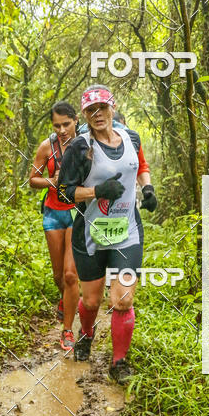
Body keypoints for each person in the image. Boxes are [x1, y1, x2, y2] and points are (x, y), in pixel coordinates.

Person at [56, 85, 157, 382]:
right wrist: (97, 191)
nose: (97, 114)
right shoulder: (79, 147)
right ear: (84, 115)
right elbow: (64, 193)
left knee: (123, 299)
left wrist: (147, 187)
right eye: (90, 110)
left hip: (127, 230)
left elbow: (140, 164)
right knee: (90, 301)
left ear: (112, 106)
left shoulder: (130, 136)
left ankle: (119, 363)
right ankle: (86, 334)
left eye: (102, 107)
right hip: (91, 233)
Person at [29, 101, 80, 351]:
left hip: (76, 213)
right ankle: (64, 299)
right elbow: (32, 179)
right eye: (57, 125)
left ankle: (68, 330)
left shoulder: (86, 144)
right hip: (52, 213)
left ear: (76, 120)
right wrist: (52, 181)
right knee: (59, 275)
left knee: (71, 275)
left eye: (66, 124)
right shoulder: (46, 147)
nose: (61, 130)